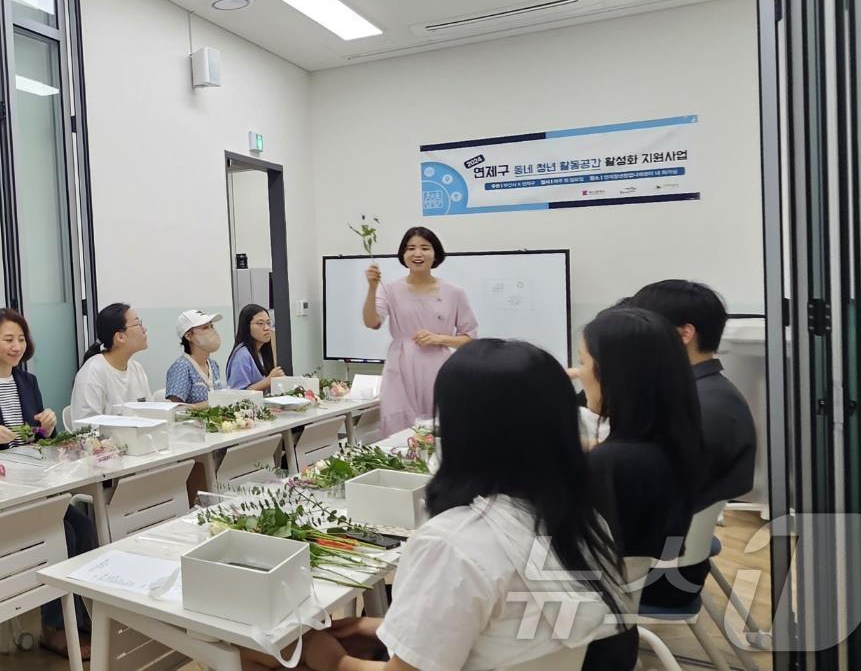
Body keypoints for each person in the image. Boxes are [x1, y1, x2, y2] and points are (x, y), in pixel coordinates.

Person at [282, 340, 623, 671]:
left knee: (268, 652)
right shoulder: (582, 518)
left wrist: (334, 661)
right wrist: (380, 628)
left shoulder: (454, 545)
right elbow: (511, 626)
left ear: (463, 429)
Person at [0, 308, 94, 661]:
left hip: (35, 480)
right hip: (1, 490)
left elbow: (43, 439)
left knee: (84, 527)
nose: (16, 346)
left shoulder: (28, 382)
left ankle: (83, 619)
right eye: (8, 339)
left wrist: (48, 423)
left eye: (21, 339)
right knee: (65, 534)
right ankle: (54, 627)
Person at [576, 306, 704, 671]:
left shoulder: (612, 466)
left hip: (577, 639)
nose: (580, 374)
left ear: (613, 375)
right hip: (617, 629)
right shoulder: (673, 442)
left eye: (583, 363)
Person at [629, 280, 757, 609]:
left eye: (644, 328)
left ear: (684, 334)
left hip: (658, 577)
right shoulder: (707, 395)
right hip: (676, 562)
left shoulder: (697, 411)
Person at [362, 226, 477, 436]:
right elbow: (372, 322)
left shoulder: (455, 292)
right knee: (398, 429)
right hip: (400, 366)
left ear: (435, 255)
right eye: (410, 248)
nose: (417, 253)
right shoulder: (389, 289)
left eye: (425, 248)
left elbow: (470, 338)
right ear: (403, 255)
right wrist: (371, 288)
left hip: (438, 367)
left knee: (437, 425)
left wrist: (439, 338)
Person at [69, 302, 151, 420]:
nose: (144, 329)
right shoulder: (92, 372)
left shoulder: (137, 368)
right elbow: (85, 427)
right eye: (138, 324)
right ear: (120, 337)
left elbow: (150, 414)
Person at [165, 309, 224, 407]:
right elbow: (175, 409)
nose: (212, 331)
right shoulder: (182, 367)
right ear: (188, 336)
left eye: (211, 326)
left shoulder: (213, 365)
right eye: (205, 327)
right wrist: (211, 404)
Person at [225, 304, 286, 391]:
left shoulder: (261, 351)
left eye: (268, 323)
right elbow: (238, 393)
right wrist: (269, 380)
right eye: (260, 323)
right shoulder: (242, 355)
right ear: (247, 327)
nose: (266, 328)